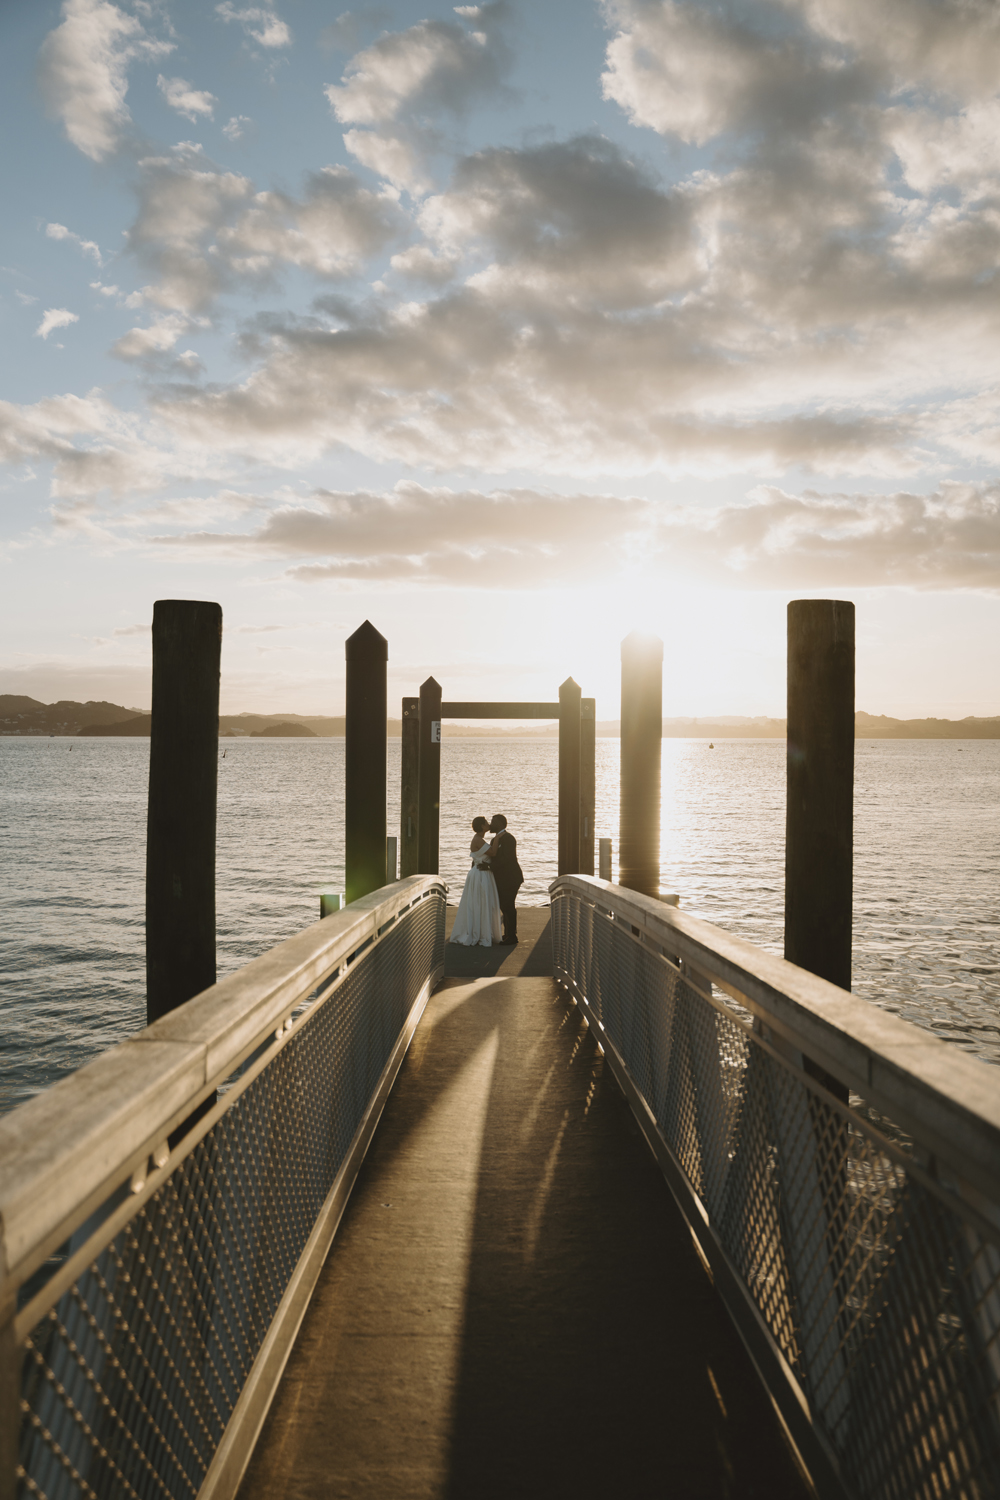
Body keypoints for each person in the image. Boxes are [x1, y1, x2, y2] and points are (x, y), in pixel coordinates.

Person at [449, 816, 503, 947]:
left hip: (482, 874)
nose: (488, 824)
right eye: (486, 823)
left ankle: (482, 929)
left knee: (481, 902)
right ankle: (477, 932)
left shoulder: (480, 839)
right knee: (480, 902)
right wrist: (498, 837)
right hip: (480, 875)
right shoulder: (478, 840)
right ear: (482, 826)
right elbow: (493, 852)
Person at [489, 813, 523, 944]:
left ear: (500, 824)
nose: (491, 825)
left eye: (493, 822)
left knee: (508, 906)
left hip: (511, 878)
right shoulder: (494, 840)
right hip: (502, 879)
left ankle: (512, 936)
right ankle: (508, 933)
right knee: (505, 905)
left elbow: (507, 859)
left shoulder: (509, 838)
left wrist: (489, 866)